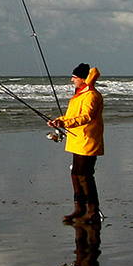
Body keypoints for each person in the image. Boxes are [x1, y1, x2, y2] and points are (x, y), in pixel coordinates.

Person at [48, 63, 103, 224]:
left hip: (88, 141)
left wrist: (65, 124)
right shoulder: (79, 95)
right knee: (76, 175)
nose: (72, 80)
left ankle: (92, 211)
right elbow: (71, 116)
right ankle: (80, 209)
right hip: (77, 140)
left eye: (74, 77)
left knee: (85, 176)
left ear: (83, 79)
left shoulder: (91, 95)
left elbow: (86, 117)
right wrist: (59, 121)